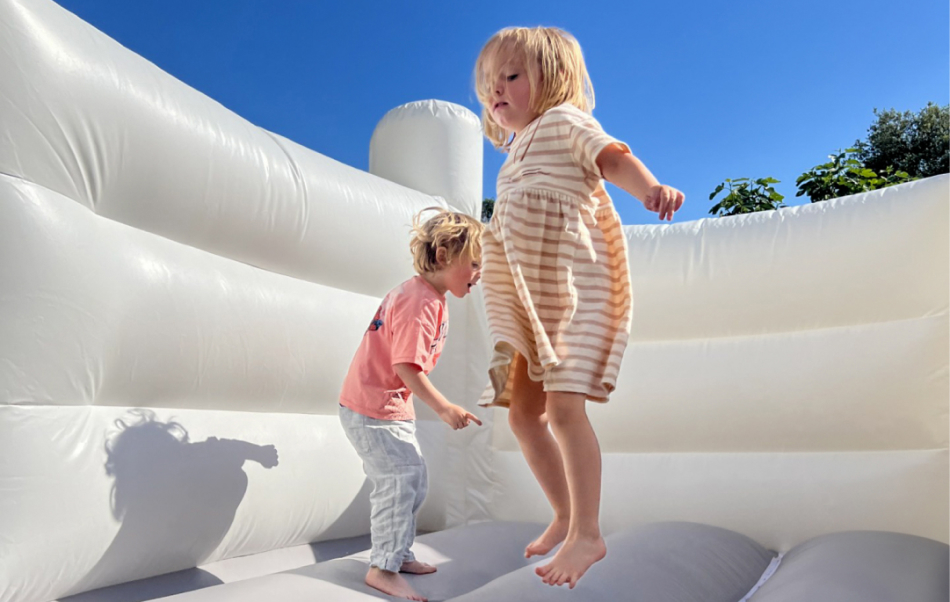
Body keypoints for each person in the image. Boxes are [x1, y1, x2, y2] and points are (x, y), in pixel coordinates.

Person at [473, 26, 685, 589]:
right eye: (490, 87)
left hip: (569, 297)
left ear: (553, 80)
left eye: (512, 77)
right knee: (522, 416)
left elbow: (611, 160)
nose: (498, 93)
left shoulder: (564, 122)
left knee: (565, 412)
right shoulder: (512, 157)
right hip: (530, 304)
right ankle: (565, 515)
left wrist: (649, 188)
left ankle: (587, 532)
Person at [338, 208, 485, 602]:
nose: (479, 273)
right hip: (372, 409)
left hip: (386, 407)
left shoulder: (429, 298)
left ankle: (397, 553)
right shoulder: (418, 301)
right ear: (442, 256)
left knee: (413, 481)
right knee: (398, 483)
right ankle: (382, 569)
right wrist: (443, 407)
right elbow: (405, 365)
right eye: (473, 263)